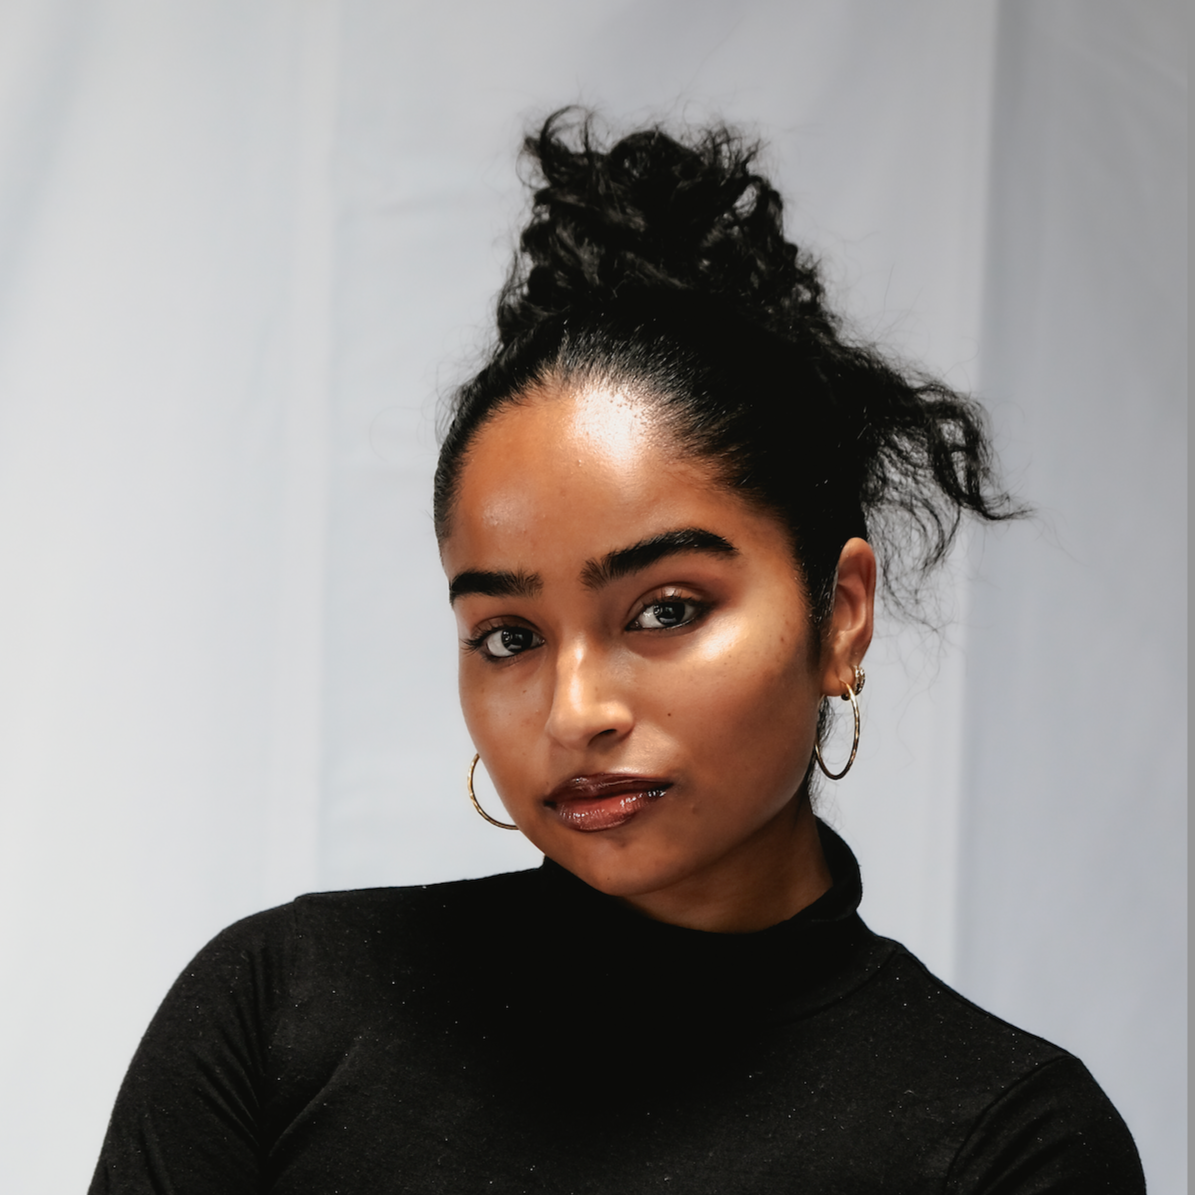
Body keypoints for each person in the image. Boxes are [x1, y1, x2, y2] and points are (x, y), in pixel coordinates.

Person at [90, 111, 1144, 1193]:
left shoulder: (1009, 1144)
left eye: (664, 610)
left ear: (840, 616)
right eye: (509, 635)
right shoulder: (279, 1012)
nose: (573, 709)